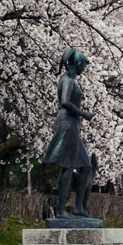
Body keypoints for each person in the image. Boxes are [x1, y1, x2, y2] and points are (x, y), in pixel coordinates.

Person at [43, 47, 95, 218]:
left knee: (86, 166)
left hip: (72, 124)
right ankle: (61, 210)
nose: (84, 69)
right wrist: (83, 114)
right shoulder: (67, 80)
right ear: (77, 64)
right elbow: (65, 101)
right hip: (67, 123)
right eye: (83, 66)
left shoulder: (71, 80)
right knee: (68, 166)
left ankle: (78, 207)